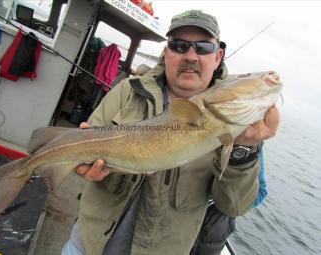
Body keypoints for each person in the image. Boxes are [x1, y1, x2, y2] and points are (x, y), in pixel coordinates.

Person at [62, 9, 280, 255]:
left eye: (203, 48)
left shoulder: (242, 126)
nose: (190, 56)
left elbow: (234, 206)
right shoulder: (127, 90)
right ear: (166, 53)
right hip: (86, 246)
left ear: (218, 56)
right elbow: (84, 146)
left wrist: (244, 148)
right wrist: (81, 166)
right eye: (178, 45)